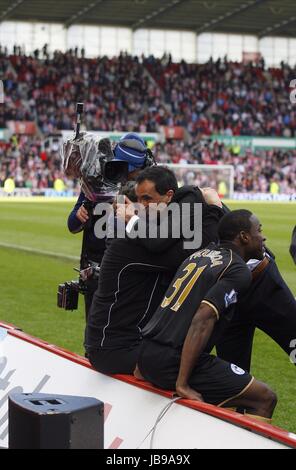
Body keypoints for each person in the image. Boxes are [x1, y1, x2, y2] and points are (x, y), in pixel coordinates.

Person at [136, 210, 277, 421]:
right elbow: (203, 318)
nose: (262, 237)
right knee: (264, 397)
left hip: (146, 353)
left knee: (229, 391)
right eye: (259, 230)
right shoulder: (238, 270)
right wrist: (182, 384)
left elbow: (168, 306)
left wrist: (142, 364)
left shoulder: (198, 256)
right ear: (244, 237)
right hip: (172, 361)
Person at [85, 166, 224, 375]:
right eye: (138, 201)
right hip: (115, 349)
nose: (142, 206)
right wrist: (214, 207)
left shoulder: (149, 237)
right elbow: (194, 250)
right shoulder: (131, 244)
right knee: (197, 365)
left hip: (131, 343)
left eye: (147, 199)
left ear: (168, 198)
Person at [67, 133, 152, 320]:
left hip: (130, 273)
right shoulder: (97, 182)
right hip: (96, 270)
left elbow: (153, 231)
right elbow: (71, 224)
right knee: (94, 330)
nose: (124, 175)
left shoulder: (149, 191)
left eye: (130, 171)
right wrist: (80, 214)